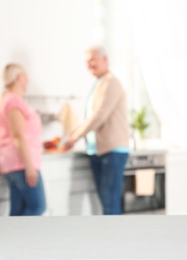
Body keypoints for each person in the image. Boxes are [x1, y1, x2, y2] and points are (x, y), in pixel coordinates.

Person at [65, 46, 130, 215]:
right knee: (105, 202)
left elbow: (99, 115)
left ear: (105, 60)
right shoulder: (97, 83)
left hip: (112, 150)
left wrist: (75, 137)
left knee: (110, 203)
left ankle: (114, 240)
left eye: (93, 59)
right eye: (87, 61)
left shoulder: (111, 82)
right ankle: (109, 238)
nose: (90, 64)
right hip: (97, 150)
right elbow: (91, 116)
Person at [0, 63, 46, 216]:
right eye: (26, 76)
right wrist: (29, 166)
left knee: (17, 212)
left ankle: (12, 240)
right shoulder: (13, 102)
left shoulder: (8, 100)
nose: (28, 80)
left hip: (15, 164)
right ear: (19, 78)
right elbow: (17, 136)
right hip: (22, 163)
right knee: (37, 207)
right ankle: (23, 240)